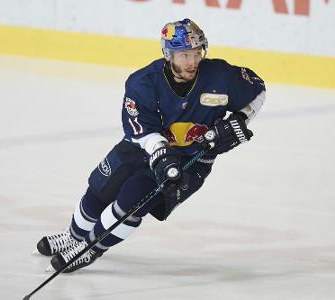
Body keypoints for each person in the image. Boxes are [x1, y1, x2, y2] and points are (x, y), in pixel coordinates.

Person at [35, 18, 266, 273]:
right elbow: (141, 129)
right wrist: (160, 151)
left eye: (197, 52)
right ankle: (73, 236)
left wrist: (239, 119)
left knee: (134, 198)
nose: (192, 61)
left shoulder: (221, 76)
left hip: (191, 160)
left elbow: (258, 91)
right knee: (100, 188)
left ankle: (89, 249)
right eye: (184, 54)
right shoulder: (143, 82)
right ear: (169, 54)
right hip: (142, 148)